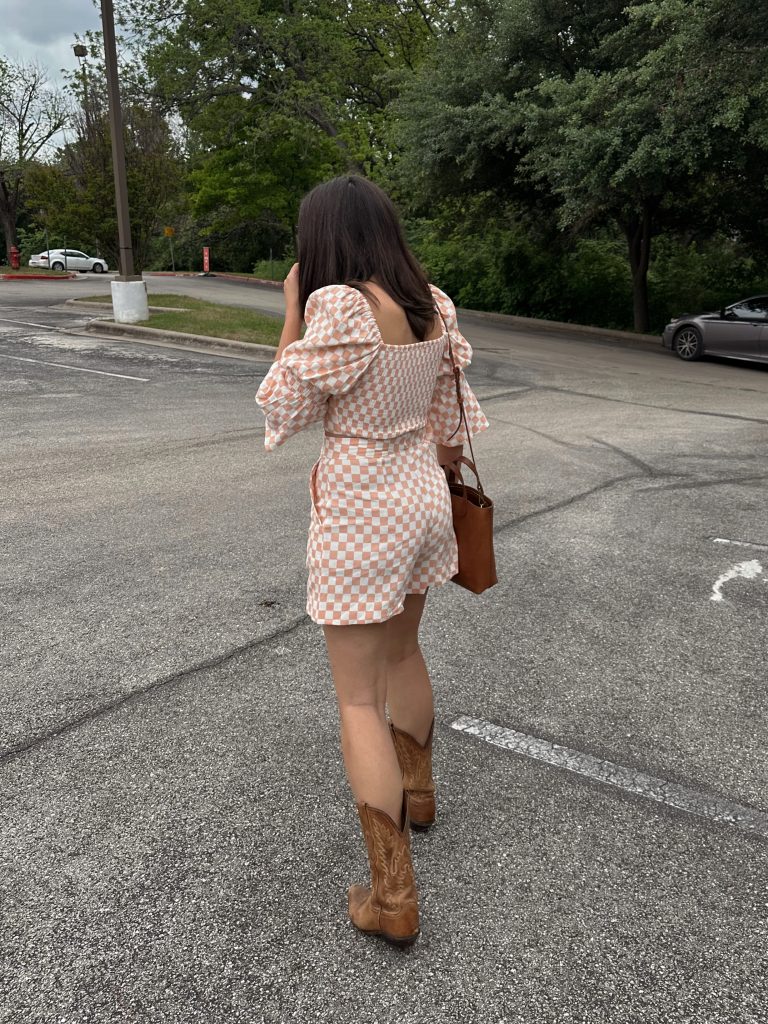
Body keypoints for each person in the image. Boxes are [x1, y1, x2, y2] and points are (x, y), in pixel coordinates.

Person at [256, 175, 489, 945]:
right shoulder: (434, 304)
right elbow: (452, 427)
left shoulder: (340, 308)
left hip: (362, 507)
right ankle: (418, 795)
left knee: (357, 700)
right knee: (407, 650)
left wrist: (291, 309)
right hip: (422, 496)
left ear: (322, 238)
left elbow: (280, 406)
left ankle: (392, 898)